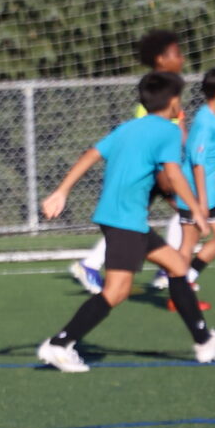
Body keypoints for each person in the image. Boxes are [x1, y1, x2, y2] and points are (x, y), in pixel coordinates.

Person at [36, 72, 215, 371]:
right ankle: (59, 344)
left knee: (178, 266)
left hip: (126, 219)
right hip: (125, 221)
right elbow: (172, 173)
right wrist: (196, 208)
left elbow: (91, 154)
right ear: (173, 102)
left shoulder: (128, 128)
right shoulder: (168, 132)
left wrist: (62, 191)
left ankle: (204, 341)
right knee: (116, 291)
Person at [72, 30, 186, 293]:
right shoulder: (158, 92)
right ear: (160, 59)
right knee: (182, 211)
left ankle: (92, 264)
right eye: (176, 54)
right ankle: (167, 270)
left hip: (156, 164)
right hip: (152, 167)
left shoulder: (167, 86)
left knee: (139, 220)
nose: (181, 58)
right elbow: (153, 130)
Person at [176, 66, 215, 287]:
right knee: (188, 245)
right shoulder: (204, 121)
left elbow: (208, 151)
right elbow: (197, 163)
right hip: (194, 193)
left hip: (209, 193)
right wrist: (200, 202)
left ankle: (187, 281)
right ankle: (179, 292)